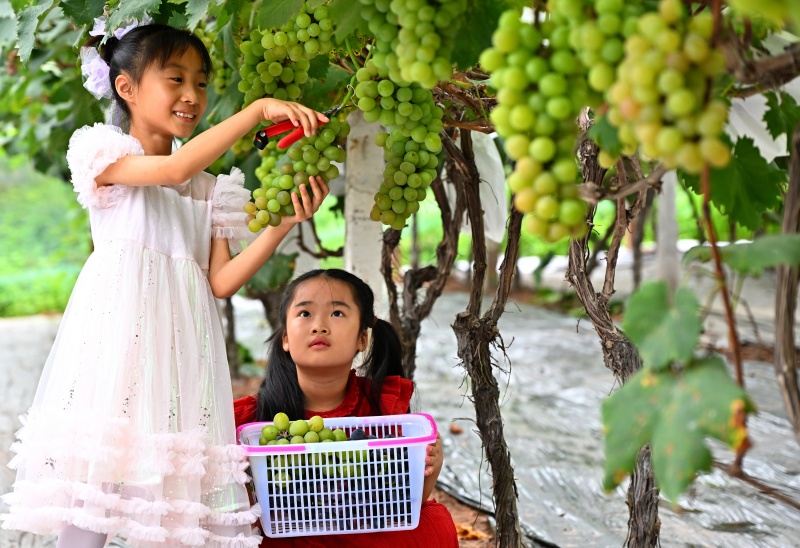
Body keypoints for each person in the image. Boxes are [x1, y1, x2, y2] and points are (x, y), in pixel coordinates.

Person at [0, 18, 330, 548]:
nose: (192, 95)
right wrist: (256, 111)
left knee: (168, 505)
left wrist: (284, 224)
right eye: (174, 79)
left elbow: (221, 281)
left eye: (200, 82)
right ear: (126, 88)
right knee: (95, 495)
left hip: (181, 350)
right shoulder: (103, 152)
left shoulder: (208, 188)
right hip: (117, 347)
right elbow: (170, 171)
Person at [233, 269, 459, 547]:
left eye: (337, 313)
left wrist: (431, 468)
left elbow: (402, 504)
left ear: (362, 339)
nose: (319, 326)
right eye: (305, 314)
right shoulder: (256, 420)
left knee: (432, 529)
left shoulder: (383, 408)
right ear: (286, 339)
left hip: (366, 530)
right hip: (290, 535)